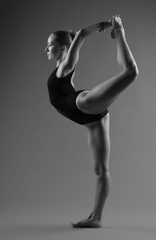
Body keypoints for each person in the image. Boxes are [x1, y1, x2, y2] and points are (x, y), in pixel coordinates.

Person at [45, 15, 139, 228]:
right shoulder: (63, 68)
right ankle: (96, 218)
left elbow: (81, 34)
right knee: (100, 170)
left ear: (62, 49)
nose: (46, 49)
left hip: (84, 104)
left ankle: (120, 33)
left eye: (50, 45)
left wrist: (104, 26)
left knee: (131, 72)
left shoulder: (65, 65)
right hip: (92, 120)